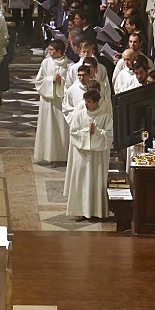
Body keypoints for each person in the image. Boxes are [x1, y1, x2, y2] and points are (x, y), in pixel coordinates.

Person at [65, 88, 113, 221]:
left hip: (98, 157)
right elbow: (73, 132)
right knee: (81, 182)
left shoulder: (105, 116)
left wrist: (96, 131)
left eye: (89, 102)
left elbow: (110, 135)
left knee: (96, 182)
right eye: (85, 101)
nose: (86, 104)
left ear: (97, 102)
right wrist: (88, 132)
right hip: (82, 155)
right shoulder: (79, 115)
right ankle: (80, 211)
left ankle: (96, 211)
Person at [33, 39, 70, 164]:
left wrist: (62, 81)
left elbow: (71, 83)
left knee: (61, 129)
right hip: (48, 101)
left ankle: (62, 156)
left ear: (60, 51)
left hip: (61, 102)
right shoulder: (46, 63)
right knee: (49, 128)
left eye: (52, 50)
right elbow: (39, 81)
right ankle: (49, 156)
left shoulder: (69, 64)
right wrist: (51, 80)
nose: (49, 51)